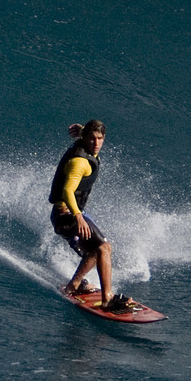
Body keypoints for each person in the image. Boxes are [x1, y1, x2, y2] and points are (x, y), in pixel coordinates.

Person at [50, 120, 139, 314]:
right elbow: (67, 191)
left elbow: (90, 141)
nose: (96, 143)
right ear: (85, 139)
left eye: (100, 138)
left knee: (95, 248)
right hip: (66, 216)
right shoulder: (79, 162)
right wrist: (78, 216)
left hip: (68, 214)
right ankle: (107, 299)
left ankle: (74, 285)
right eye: (91, 138)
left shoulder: (87, 148)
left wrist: (83, 131)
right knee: (104, 248)